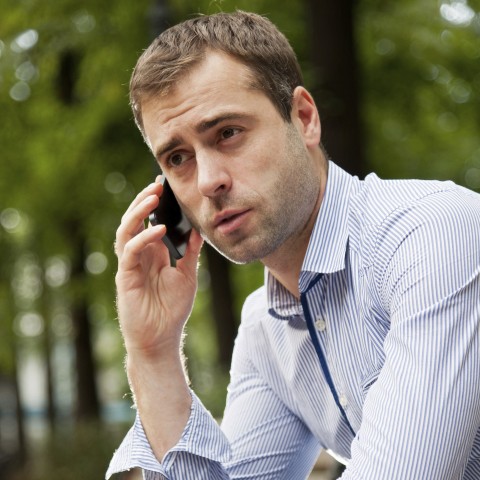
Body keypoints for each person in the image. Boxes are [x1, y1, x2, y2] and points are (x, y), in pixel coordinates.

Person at [107, 11, 480, 480]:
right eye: (178, 158)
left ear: (303, 118)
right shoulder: (266, 328)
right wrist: (153, 353)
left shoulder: (433, 234)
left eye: (227, 133)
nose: (207, 181)